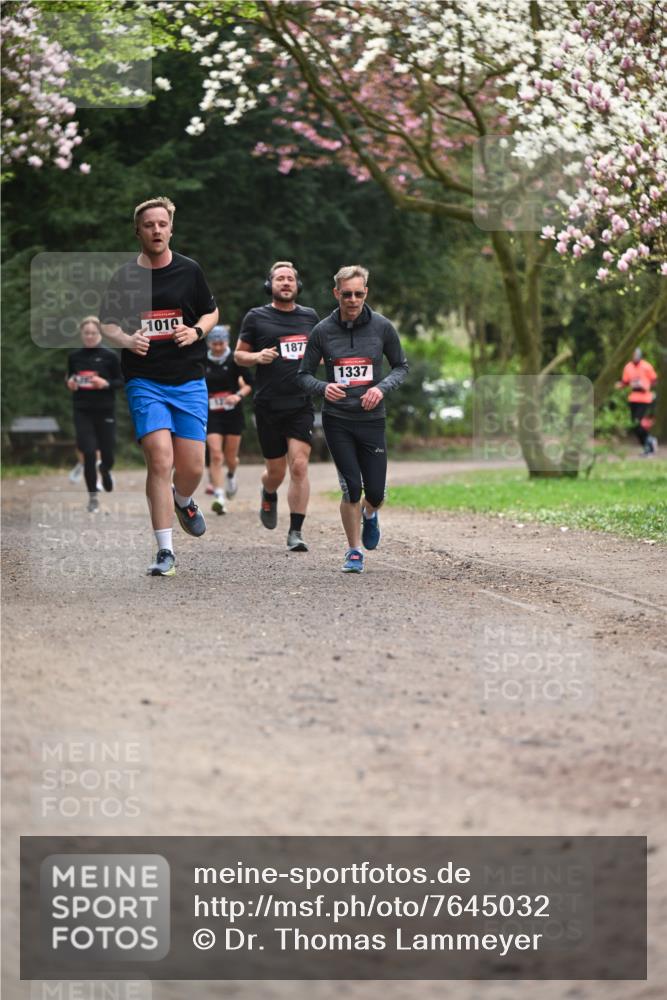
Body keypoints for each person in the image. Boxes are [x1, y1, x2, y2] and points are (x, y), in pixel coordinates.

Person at [100, 196, 219, 576]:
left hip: (188, 379)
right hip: (145, 379)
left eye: (162, 224)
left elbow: (211, 311)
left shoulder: (189, 270)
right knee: (160, 458)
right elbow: (106, 324)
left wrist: (196, 330)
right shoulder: (124, 277)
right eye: (148, 224)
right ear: (138, 231)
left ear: (170, 228)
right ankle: (165, 550)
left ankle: (183, 500)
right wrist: (127, 340)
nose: (156, 230)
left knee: (192, 467)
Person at [297, 264, 408, 573]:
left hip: (372, 419)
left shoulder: (383, 327)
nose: (353, 300)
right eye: (347, 294)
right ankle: (354, 551)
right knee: (351, 487)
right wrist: (324, 387)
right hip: (338, 420)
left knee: (374, 492)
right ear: (336, 294)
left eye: (359, 294)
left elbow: (401, 366)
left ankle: (370, 514)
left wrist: (381, 388)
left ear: (366, 293)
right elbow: (303, 375)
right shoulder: (322, 330)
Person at [234, 261, 319, 552]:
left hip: (300, 402)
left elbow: (320, 355)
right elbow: (238, 356)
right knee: (276, 471)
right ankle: (268, 492)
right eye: (280, 278)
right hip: (268, 403)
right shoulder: (256, 317)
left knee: (299, 465)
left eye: (290, 279)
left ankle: (296, 531)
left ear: (298, 286)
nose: (285, 283)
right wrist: (257, 357)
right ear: (270, 284)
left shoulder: (310, 317)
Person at [66, 316, 123, 512]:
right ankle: (92, 497)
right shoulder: (74, 357)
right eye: (86, 333)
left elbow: (122, 381)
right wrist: (71, 383)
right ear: (82, 334)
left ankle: (105, 469)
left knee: (107, 453)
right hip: (82, 410)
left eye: (93, 333)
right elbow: (71, 377)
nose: (90, 336)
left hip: (105, 410)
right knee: (88, 452)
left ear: (100, 334)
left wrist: (105, 383)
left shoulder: (110, 356)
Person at [204, 325, 252, 514]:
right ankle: (219, 496)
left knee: (230, 457)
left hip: (232, 411)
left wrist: (238, 396)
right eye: (214, 344)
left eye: (221, 343)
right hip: (212, 412)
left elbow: (249, 384)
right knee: (216, 455)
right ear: (209, 343)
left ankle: (231, 474)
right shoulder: (202, 360)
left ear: (227, 342)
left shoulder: (235, 359)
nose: (217, 347)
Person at [616, 348, 658, 456]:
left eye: (636, 354)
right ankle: (649, 442)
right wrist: (619, 385)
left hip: (645, 399)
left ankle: (648, 446)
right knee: (635, 425)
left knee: (640, 424)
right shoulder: (628, 367)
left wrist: (646, 387)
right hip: (633, 398)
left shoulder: (646, 366)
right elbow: (625, 382)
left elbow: (654, 380)